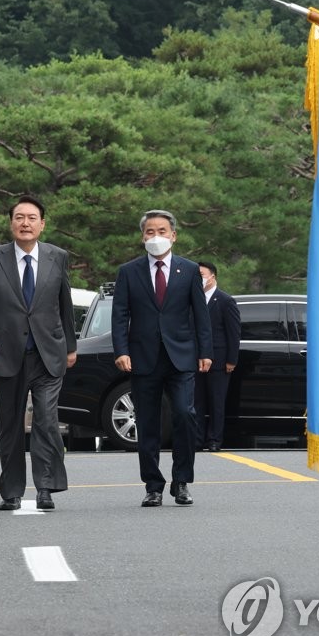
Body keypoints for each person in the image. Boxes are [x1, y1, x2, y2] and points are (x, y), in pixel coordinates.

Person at [0, 195, 77, 511]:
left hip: (48, 355)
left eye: (32, 217)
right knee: (11, 425)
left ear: (42, 224)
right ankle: (12, 491)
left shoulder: (57, 257)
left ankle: (45, 487)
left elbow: (64, 305)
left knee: (46, 420)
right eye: (19, 217)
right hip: (6, 355)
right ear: (11, 223)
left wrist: (71, 347)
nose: (25, 223)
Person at [111, 209, 212, 507]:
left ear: (174, 235)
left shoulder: (190, 270)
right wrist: (121, 351)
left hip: (181, 356)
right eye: (150, 232)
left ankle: (181, 482)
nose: (156, 237)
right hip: (143, 357)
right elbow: (120, 316)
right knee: (148, 422)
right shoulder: (128, 272)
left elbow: (200, 314)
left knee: (184, 414)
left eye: (162, 231)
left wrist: (206, 351)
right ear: (143, 237)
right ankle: (153, 485)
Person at [193, 262, 240, 452]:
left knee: (216, 402)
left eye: (202, 275)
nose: (199, 279)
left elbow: (233, 333)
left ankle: (214, 440)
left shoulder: (225, 300)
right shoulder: (193, 299)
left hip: (219, 360)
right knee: (196, 403)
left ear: (212, 276)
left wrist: (231, 360)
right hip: (195, 360)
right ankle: (196, 440)